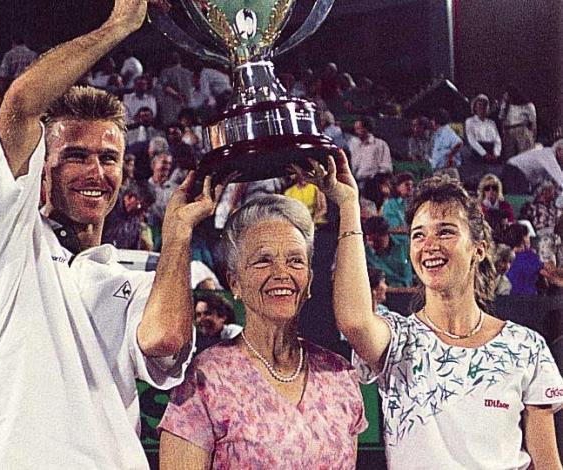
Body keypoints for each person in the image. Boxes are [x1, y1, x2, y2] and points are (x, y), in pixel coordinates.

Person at [0, 1, 229, 468]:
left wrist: (180, 232)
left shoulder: (140, 279)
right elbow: (20, 107)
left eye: (108, 158)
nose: (94, 171)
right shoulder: (4, 240)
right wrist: (120, 25)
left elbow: (164, 342)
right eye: (75, 155)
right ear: (40, 171)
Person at [331, 174, 563, 469]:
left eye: (445, 232)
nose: (429, 245)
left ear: (478, 249)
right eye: (418, 234)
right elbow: (353, 321)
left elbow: (547, 464)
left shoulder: (526, 348)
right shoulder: (398, 339)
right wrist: (349, 206)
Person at [158, 190, 367, 468]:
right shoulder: (206, 379)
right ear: (234, 283)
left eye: (295, 260)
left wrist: (348, 204)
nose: (281, 273)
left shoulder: (339, 375)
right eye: (263, 260)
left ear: (309, 280)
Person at [363, 216, 413, 288]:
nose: (372, 243)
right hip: (382, 293)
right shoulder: (365, 254)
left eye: (376, 240)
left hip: (408, 291)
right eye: (369, 240)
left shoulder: (405, 245)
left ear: (386, 235)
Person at [347, 115, 392, 186]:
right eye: (355, 129)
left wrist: (375, 178)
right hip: (354, 181)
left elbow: (386, 167)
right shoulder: (352, 143)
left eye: (358, 129)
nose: (356, 132)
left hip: (373, 182)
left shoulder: (380, 144)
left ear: (367, 128)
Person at [465, 94, 502, 163]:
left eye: (484, 105)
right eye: (479, 104)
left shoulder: (491, 123)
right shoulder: (470, 121)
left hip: (492, 152)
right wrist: (484, 154)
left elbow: (497, 139)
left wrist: (496, 154)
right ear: (475, 107)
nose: (482, 107)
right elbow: (471, 140)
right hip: (477, 152)